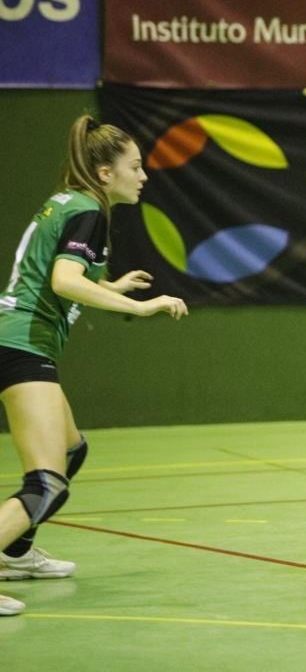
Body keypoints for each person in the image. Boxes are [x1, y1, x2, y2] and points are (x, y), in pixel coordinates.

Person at [0, 115, 189, 616]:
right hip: (20, 344)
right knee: (46, 482)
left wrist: (111, 286)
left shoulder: (68, 201)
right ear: (106, 173)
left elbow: (51, 273)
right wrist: (141, 306)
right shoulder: (90, 211)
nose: (144, 175)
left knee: (71, 450)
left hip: (17, 338)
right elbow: (64, 281)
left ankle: (14, 552)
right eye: (135, 166)